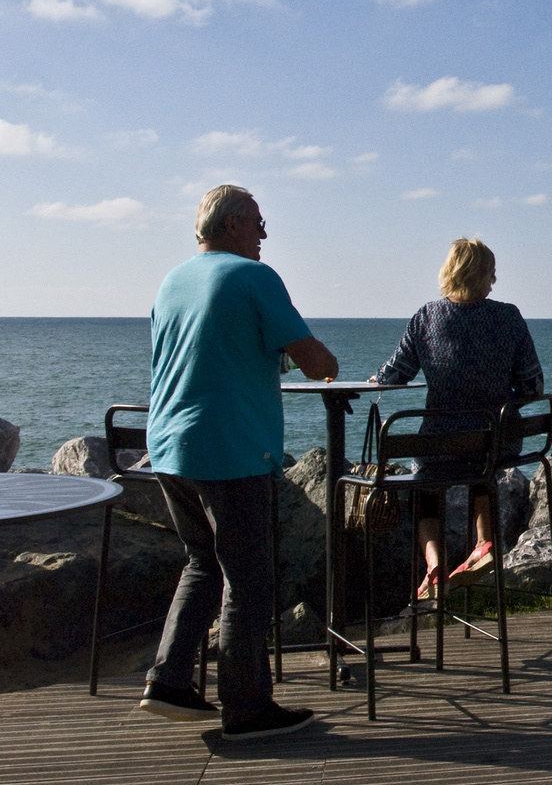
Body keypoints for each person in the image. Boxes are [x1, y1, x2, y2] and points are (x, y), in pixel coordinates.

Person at [141, 185, 336, 739]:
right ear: (230, 225)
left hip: (170, 446)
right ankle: (246, 707)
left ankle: (170, 681)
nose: (265, 234)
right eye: (257, 222)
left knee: (202, 562)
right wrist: (325, 361)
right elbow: (316, 361)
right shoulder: (254, 277)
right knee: (248, 579)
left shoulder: (172, 280)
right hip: (229, 447)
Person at [375, 238, 544, 600]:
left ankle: (434, 564)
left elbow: (396, 372)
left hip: (439, 443)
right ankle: (484, 543)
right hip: (495, 440)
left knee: (427, 482)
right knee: (481, 464)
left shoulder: (427, 316)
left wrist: (378, 378)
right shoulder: (508, 316)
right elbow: (533, 382)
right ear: (487, 274)